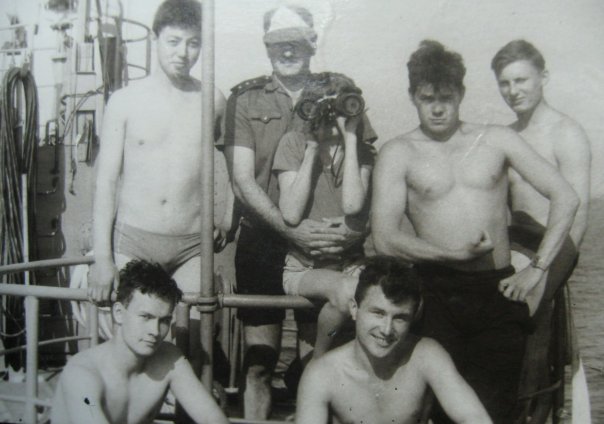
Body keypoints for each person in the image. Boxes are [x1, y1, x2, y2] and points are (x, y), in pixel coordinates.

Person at [371, 40, 578, 424]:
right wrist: (452, 255)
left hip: (497, 292)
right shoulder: (398, 152)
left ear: (461, 94)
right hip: (435, 294)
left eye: (446, 98)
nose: (437, 108)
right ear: (412, 96)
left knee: (496, 412)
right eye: (427, 98)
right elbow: (384, 237)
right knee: (442, 412)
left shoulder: (496, 139)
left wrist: (537, 268)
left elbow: (565, 196)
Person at [220, 5, 377, 419]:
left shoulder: (340, 91)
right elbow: (242, 181)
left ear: (312, 42)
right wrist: (292, 232)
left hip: (323, 244)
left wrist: (353, 230)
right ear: (265, 45)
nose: (287, 51)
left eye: (295, 41)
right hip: (263, 240)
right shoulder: (244, 98)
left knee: (315, 359)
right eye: (277, 43)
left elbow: (364, 170)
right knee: (259, 363)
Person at [88, 0, 228, 369]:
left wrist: (224, 217)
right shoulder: (124, 102)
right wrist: (102, 258)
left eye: (193, 43)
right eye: (174, 41)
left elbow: (224, 163)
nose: (183, 53)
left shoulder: (212, 100)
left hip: (192, 245)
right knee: (131, 346)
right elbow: (106, 183)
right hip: (135, 240)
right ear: (155, 40)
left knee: (192, 341)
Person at [491, 39, 591, 417]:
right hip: (516, 245)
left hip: (555, 245)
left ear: (543, 77)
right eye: (504, 83)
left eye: (521, 80)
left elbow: (577, 216)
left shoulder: (566, 132)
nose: (513, 91)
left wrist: (543, 272)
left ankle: (529, 412)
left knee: (522, 312)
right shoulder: (505, 136)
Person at [295, 256, 492, 424]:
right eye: (378, 313)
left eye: (400, 318)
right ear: (354, 309)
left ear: (413, 318)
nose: (387, 330)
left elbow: (475, 418)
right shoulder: (323, 373)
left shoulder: (426, 355)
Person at [51, 260, 229, 424]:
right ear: (118, 313)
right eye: (145, 317)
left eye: (164, 320)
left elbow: (213, 419)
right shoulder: (82, 374)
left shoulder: (168, 358)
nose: (155, 331)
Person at [273, 72, 375, 358]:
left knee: (352, 338)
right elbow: (291, 213)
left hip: (350, 266)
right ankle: (318, 362)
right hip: (304, 268)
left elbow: (352, 205)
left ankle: (318, 364)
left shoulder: (363, 151)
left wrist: (351, 140)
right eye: (321, 106)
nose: (330, 114)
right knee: (346, 295)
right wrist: (312, 148)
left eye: (337, 105)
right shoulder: (293, 143)